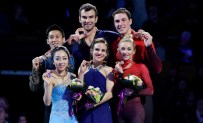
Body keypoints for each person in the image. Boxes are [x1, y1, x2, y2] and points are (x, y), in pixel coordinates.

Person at [111, 8, 162, 123]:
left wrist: (149, 47)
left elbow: (158, 69)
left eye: (124, 20)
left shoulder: (141, 40)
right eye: (117, 21)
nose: (120, 24)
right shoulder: (115, 44)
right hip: (122, 97)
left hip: (142, 95)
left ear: (131, 21)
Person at [29, 24, 74, 123]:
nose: (54, 40)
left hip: (69, 106)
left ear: (63, 39)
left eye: (57, 37)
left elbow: (71, 79)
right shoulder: (41, 62)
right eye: (51, 37)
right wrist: (35, 70)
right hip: (49, 106)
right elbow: (33, 88)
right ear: (47, 41)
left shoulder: (70, 59)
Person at [67, 3, 119, 75]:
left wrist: (137, 34)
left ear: (96, 19)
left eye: (91, 17)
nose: (87, 20)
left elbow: (126, 37)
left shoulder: (107, 36)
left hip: (106, 82)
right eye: (84, 17)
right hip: (82, 83)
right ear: (79, 19)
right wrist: (67, 43)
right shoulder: (73, 42)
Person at [113, 37, 154, 123]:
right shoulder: (115, 70)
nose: (126, 52)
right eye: (123, 49)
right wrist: (120, 74)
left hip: (135, 111)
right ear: (119, 50)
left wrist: (135, 92)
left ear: (134, 51)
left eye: (129, 49)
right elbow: (116, 91)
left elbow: (150, 90)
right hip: (120, 111)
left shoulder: (140, 67)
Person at [77, 38, 114, 123]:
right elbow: (79, 90)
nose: (100, 53)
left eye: (103, 50)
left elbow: (110, 93)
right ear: (91, 50)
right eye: (97, 49)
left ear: (106, 53)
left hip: (102, 110)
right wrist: (81, 73)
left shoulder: (108, 70)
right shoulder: (83, 68)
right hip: (85, 109)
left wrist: (95, 104)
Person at [42, 46, 78, 123]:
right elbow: (47, 103)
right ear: (53, 61)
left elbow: (76, 100)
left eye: (64, 58)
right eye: (57, 58)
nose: (61, 62)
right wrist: (48, 84)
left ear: (68, 60)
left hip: (72, 118)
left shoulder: (73, 77)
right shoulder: (49, 76)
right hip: (56, 119)